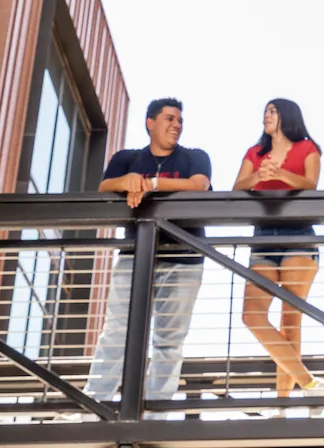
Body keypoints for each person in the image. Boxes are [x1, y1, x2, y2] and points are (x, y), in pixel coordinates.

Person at [83, 98, 213, 413]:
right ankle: (94, 405)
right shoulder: (127, 158)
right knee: (117, 332)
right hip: (134, 257)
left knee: (169, 341)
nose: (176, 125)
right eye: (169, 118)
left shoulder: (195, 157)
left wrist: (150, 184)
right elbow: (104, 187)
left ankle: (157, 411)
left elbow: (199, 185)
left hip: (185, 259)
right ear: (150, 122)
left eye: (180, 120)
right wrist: (127, 181)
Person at [231, 98, 324, 397]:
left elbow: (310, 183)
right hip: (262, 235)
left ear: (287, 116)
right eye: (264, 111)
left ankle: (282, 405)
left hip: (298, 235)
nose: (266, 115)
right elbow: (238, 187)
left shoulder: (307, 148)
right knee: (252, 315)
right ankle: (311, 384)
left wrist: (280, 174)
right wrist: (257, 176)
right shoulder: (255, 152)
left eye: (272, 111)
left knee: (290, 318)